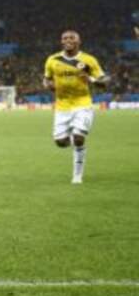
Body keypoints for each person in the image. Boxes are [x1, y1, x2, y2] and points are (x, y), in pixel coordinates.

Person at [43, 30, 109, 184]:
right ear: (61, 41)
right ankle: (75, 140)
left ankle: (77, 175)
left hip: (82, 104)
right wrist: (48, 85)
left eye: (72, 38)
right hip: (62, 106)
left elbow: (105, 81)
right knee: (60, 142)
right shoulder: (53, 60)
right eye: (64, 38)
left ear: (79, 41)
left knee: (79, 138)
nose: (68, 40)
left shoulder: (88, 60)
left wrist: (91, 79)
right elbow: (46, 79)